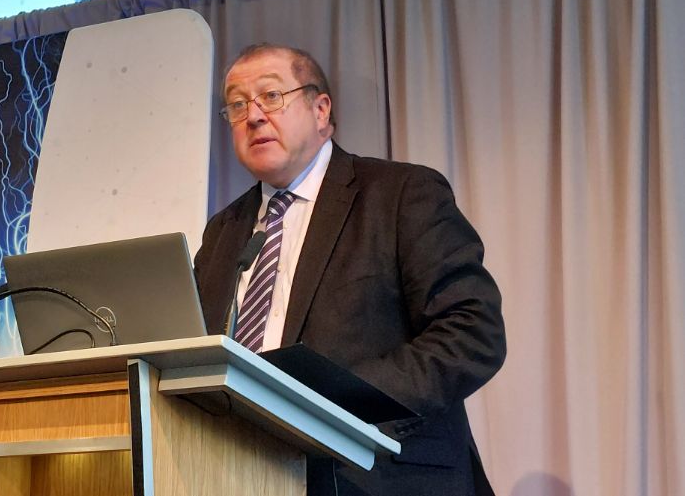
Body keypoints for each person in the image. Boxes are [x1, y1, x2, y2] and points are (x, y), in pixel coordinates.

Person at [194, 43, 506, 495]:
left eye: (271, 97)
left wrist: (331, 402)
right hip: (245, 476)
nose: (254, 116)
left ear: (321, 110)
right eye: (237, 105)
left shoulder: (400, 194)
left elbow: (472, 332)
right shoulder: (224, 230)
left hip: (380, 476)